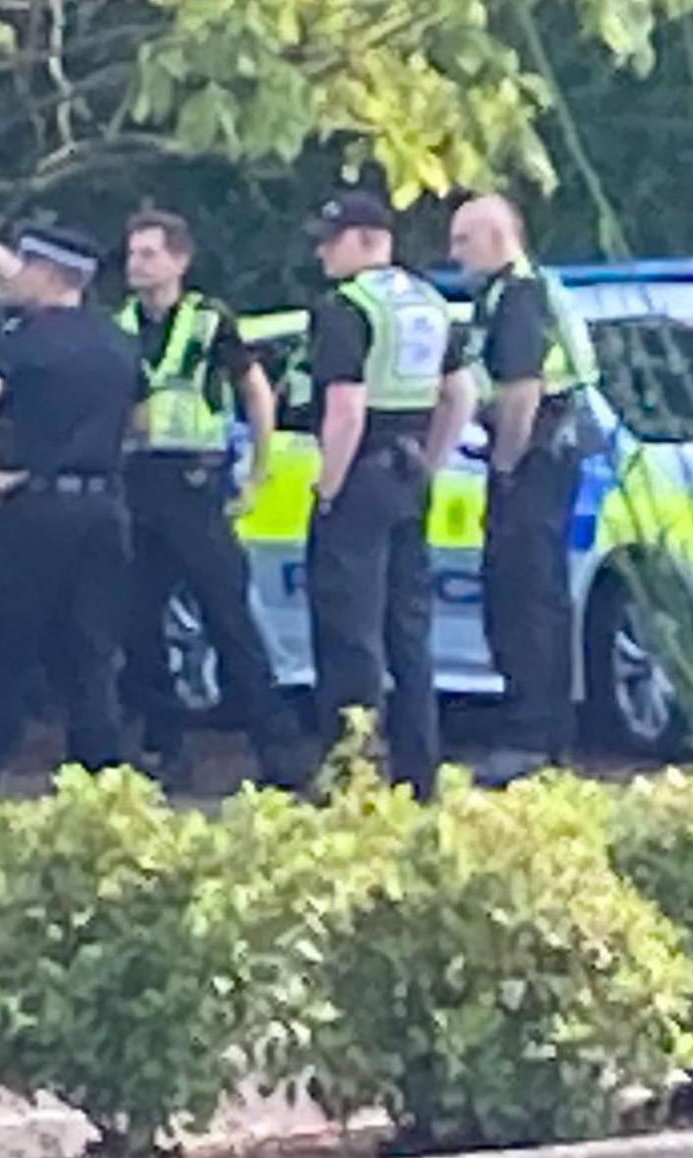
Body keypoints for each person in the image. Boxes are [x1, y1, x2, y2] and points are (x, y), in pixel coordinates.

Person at [0, 224, 143, 817]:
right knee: (94, 649)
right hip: (105, 508)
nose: (17, 275)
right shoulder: (118, 341)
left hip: (38, 506)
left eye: (27, 266)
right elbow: (142, 421)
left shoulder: (24, 340)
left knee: (8, 644)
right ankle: (99, 785)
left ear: (52, 276)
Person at [110, 209, 312, 791]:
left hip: (197, 484)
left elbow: (254, 390)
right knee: (138, 624)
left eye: (149, 253)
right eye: (132, 254)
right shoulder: (121, 323)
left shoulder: (207, 321)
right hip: (140, 479)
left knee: (229, 620)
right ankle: (164, 745)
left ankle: (277, 753)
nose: (136, 264)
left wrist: (258, 469)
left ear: (178, 260)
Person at [301, 188, 474, 795]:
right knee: (408, 628)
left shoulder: (345, 307)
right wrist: (431, 460)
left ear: (367, 241)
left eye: (331, 241)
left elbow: (343, 409)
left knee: (350, 632)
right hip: (408, 475)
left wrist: (328, 488)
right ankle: (420, 773)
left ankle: (353, 777)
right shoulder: (430, 300)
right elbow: (461, 395)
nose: (321, 253)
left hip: (363, 474)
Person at [452, 193, 599, 785]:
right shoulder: (524, 292)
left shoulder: (518, 297)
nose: (454, 252)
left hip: (535, 460)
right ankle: (542, 733)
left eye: (464, 240)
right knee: (531, 599)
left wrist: (505, 464)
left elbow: (521, 391)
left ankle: (532, 738)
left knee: (525, 602)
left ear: (496, 237)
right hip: (549, 457)